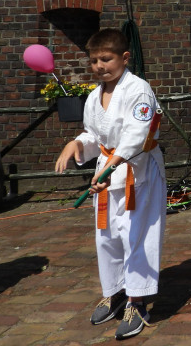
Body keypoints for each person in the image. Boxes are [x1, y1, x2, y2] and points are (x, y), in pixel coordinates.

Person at [55, 29, 166, 340]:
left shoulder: (138, 90)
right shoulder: (95, 96)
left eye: (106, 59)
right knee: (107, 236)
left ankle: (137, 301)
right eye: (94, 61)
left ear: (124, 58)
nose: (99, 66)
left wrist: (110, 168)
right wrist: (77, 144)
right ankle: (116, 290)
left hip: (136, 172)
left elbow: (136, 135)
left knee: (135, 235)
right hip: (108, 170)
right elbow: (94, 135)